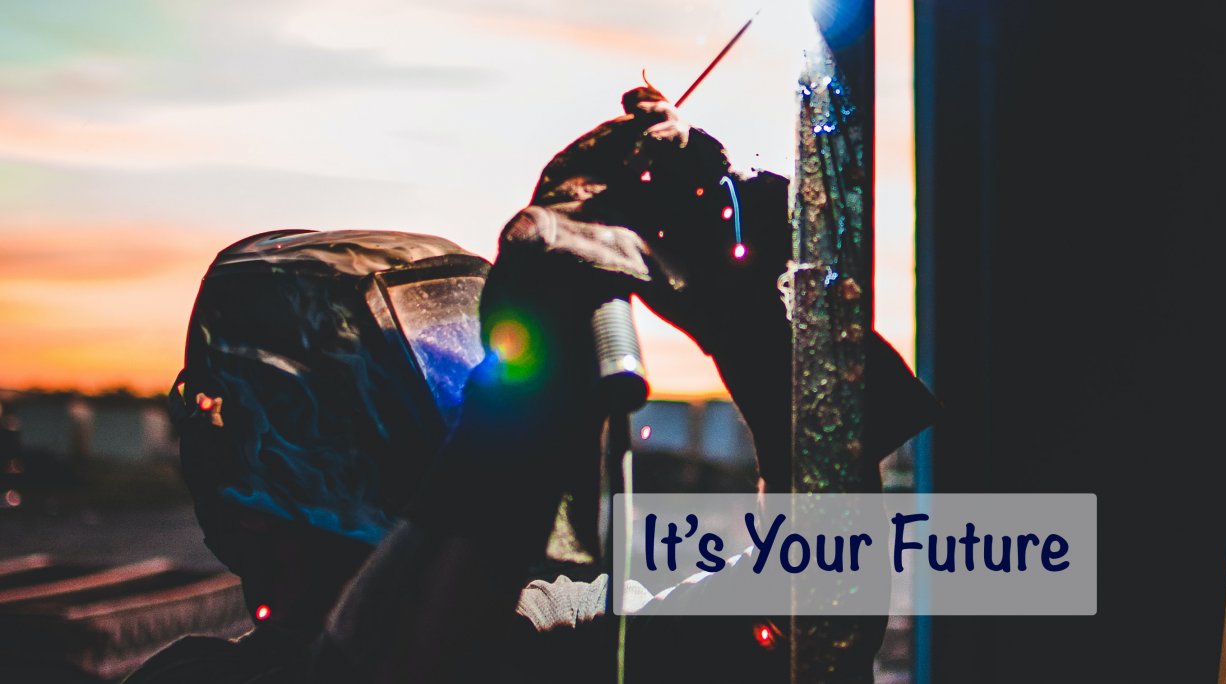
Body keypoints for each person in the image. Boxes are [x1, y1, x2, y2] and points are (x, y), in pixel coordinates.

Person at [126, 87, 937, 683]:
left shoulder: (544, 639)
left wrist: (752, 331)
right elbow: (385, 662)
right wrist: (530, 392)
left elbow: (812, 616)